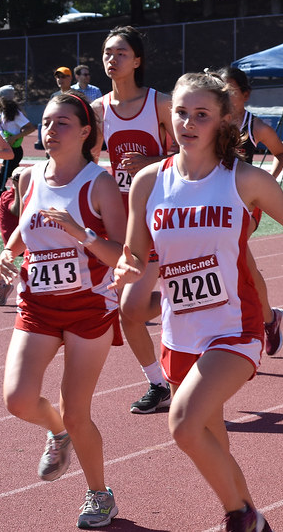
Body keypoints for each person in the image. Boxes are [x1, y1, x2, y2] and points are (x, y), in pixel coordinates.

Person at [112, 71, 283, 532]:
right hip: (180, 332)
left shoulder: (244, 179)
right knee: (211, 440)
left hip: (235, 327)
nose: (188, 123)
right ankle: (252, 519)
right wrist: (126, 268)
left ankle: (240, 516)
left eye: (201, 114)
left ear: (222, 120)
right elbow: (135, 253)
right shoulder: (147, 183)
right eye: (181, 113)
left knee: (182, 423)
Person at [0, 92, 127, 529]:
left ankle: (100, 494)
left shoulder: (99, 183)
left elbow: (122, 254)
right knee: (18, 400)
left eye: (62, 123)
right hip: (38, 305)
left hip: (88, 308)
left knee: (77, 410)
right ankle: (58, 433)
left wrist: (81, 233)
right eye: (46, 123)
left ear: (85, 131)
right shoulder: (30, 175)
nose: (50, 131)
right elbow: (25, 229)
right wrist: (8, 252)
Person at [90, 26, 177, 415]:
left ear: (137, 60)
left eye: (121, 53)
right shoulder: (98, 111)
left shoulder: (160, 104)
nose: (112, 59)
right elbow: (89, 162)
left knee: (131, 308)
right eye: (107, 53)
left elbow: (192, 154)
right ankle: (158, 383)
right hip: (125, 222)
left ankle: (191, 299)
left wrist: (150, 163)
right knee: (129, 312)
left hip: (163, 216)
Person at [221, 66, 283, 356]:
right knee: (234, 262)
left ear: (245, 95)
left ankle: (260, 321)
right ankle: (268, 318)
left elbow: (281, 153)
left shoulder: (255, 127)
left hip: (244, 204)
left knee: (236, 257)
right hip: (215, 201)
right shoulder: (211, 120)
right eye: (220, 89)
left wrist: (267, 184)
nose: (225, 95)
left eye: (231, 90)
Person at [0, 85, 38, 194]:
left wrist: (14, 137)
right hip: (8, 149)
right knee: (14, 175)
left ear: (3, 98)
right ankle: (21, 193)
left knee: (1, 179)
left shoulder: (15, 113)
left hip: (14, 150)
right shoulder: (3, 112)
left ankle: (4, 195)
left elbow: (30, 128)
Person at [0, 165, 24, 305]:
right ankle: (1, 284)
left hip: (30, 241)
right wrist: (18, 186)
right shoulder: (8, 195)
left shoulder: (33, 192)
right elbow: (16, 211)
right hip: (15, 245)